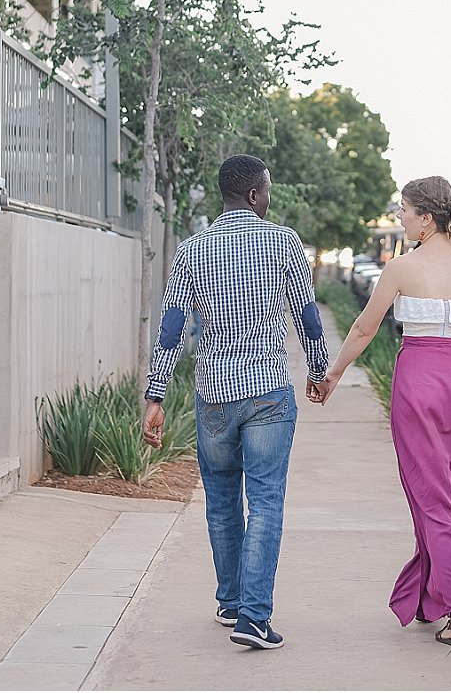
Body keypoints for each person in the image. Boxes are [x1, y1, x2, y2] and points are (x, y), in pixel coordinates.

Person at [313, 176, 451, 647]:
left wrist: (334, 374)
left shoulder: (401, 269)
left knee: (433, 500)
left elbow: (364, 329)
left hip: (418, 383)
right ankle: (429, 596)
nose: (398, 217)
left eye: (403, 210)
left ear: (424, 216)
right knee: (441, 497)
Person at [142, 155, 329, 651]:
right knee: (265, 501)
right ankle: (253, 617)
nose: (270, 197)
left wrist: (154, 396)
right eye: (267, 189)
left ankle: (230, 602)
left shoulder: (192, 250)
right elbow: (308, 318)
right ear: (252, 195)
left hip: (214, 400)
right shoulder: (283, 242)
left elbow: (170, 331)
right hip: (268, 392)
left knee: (223, 502)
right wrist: (318, 372)